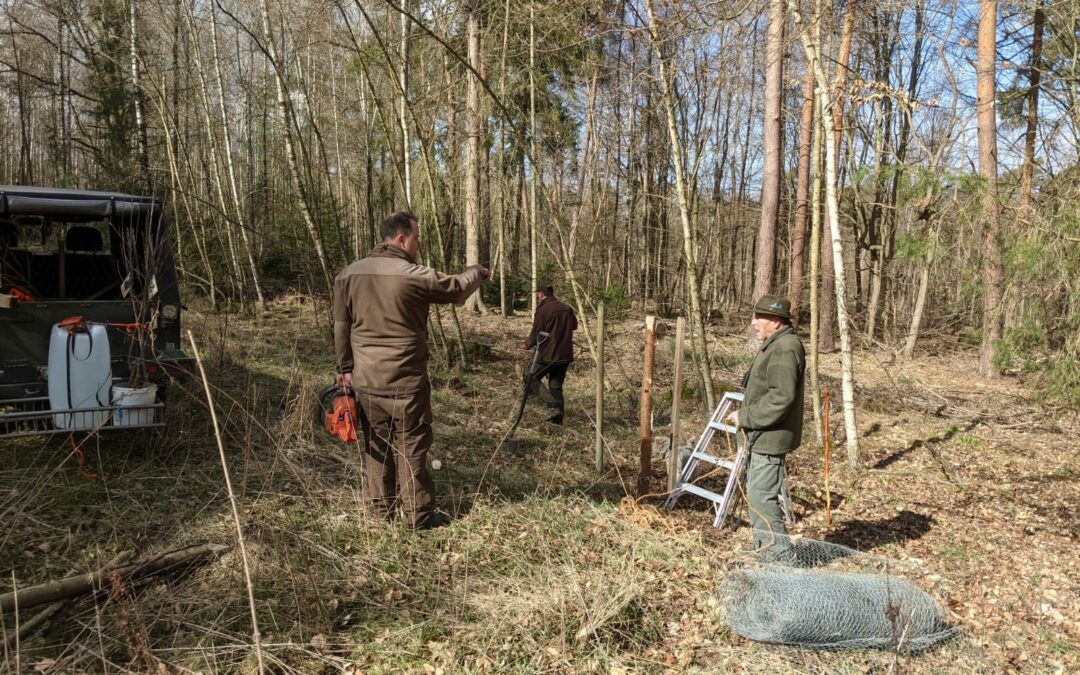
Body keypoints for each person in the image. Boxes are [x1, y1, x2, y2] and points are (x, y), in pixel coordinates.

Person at [333, 212, 488, 529]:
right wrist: (477, 272)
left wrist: (344, 370)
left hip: (366, 381)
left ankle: (379, 514)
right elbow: (457, 288)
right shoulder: (413, 274)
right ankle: (418, 516)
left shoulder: (347, 275)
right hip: (407, 383)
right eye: (417, 238)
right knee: (412, 447)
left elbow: (341, 328)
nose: (418, 244)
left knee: (376, 446)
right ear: (402, 239)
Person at [727, 295, 806, 553]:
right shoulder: (776, 344)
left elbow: (781, 398)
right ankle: (766, 554)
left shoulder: (785, 347)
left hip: (769, 439)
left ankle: (779, 562)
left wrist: (746, 416)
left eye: (758, 317)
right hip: (762, 436)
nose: (753, 323)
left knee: (762, 499)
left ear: (774, 321)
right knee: (758, 497)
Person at [522, 283, 577, 425]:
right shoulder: (567, 308)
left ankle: (552, 406)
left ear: (541, 294)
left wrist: (527, 344)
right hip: (565, 355)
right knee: (555, 387)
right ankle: (557, 423)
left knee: (530, 376)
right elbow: (574, 326)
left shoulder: (543, 310)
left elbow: (536, 332)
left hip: (548, 354)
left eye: (537, 294)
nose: (536, 296)